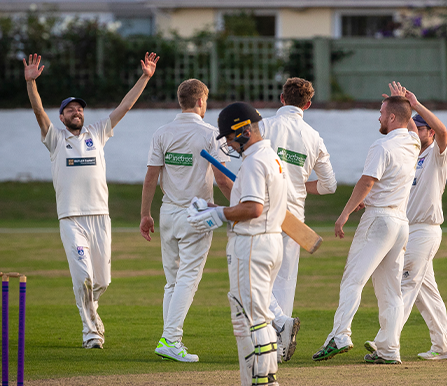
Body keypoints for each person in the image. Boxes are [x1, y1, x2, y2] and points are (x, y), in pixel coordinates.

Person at [24, 52, 158, 349]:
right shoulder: (55, 138)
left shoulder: (97, 132)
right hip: (71, 218)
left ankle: (89, 307)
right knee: (83, 277)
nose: (76, 112)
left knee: (102, 282)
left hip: (100, 217)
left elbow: (125, 106)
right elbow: (38, 113)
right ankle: (91, 334)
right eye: (70, 110)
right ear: (61, 117)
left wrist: (145, 77)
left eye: (79, 109)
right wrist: (32, 84)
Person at [313, 82, 420, 365]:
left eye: (383, 112)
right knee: (390, 290)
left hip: (379, 220)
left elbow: (367, 181)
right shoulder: (413, 141)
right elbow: (409, 125)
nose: (379, 117)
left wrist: (345, 213)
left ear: (393, 118)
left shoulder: (382, 145)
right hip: (400, 223)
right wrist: (405, 101)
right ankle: (389, 349)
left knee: (353, 280)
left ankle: (340, 335)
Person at [189, 102, 286, 385]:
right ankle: (261, 380)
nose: (229, 145)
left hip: (253, 244)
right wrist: (215, 207)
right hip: (267, 242)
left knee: (250, 318)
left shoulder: (256, 162)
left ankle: (262, 381)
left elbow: (254, 208)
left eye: (230, 138)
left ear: (243, 131)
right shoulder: (269, 156)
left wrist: (216, 214)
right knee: (256, 316)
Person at [139, 79, 232, 362]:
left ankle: (170, 338)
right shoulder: (211, 134)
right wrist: (241, 205)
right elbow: (221, 178)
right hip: (197, 212)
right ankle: (171, 339)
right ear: (201, 101)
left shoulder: (162, 133)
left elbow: (151, 177)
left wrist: (145, 214)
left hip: (167, 213)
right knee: (188, 279)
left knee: (173, 282)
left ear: (180, 101)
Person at [364, 88, 447, 361]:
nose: (413, 130)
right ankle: (444, 345)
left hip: (425, 229)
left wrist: (415, 104)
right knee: (424, 291)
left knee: (404, 283)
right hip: (406, 228)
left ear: (428, 131)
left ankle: (385, 345)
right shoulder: (411, 154)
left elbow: (443, 131)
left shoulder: (438, 155)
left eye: (418, 126)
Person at [259, 77, 337, 362]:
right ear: (308, 104)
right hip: (295, 218)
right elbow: (329, 185)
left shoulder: (264, 126)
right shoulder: (314, 136)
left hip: (265, 212)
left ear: (282, 99)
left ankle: (277, 327)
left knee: (255, 279)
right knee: (284, 281)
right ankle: (279, 345)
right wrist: (301, 185)